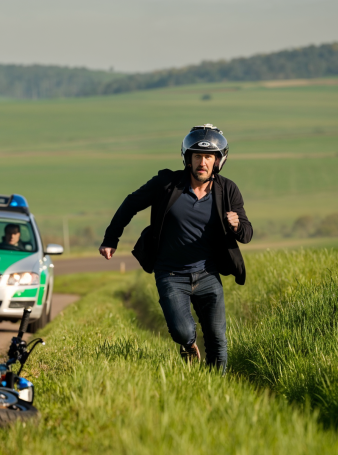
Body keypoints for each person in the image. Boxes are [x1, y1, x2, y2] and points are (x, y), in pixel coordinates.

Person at [98, 124, 253, 372]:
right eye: (197, 156)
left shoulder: (228, 190)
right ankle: (189, 345)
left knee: (217, 339)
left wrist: (236, 226)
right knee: (182, 331)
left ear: (218, 161)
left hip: (208, 273)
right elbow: (131, 203)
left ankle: (216, 387)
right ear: (187, 158)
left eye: (208, 157)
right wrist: (110, 239)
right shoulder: (167, 184)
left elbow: (247, 233)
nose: (202, 162)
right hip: (171, 273)